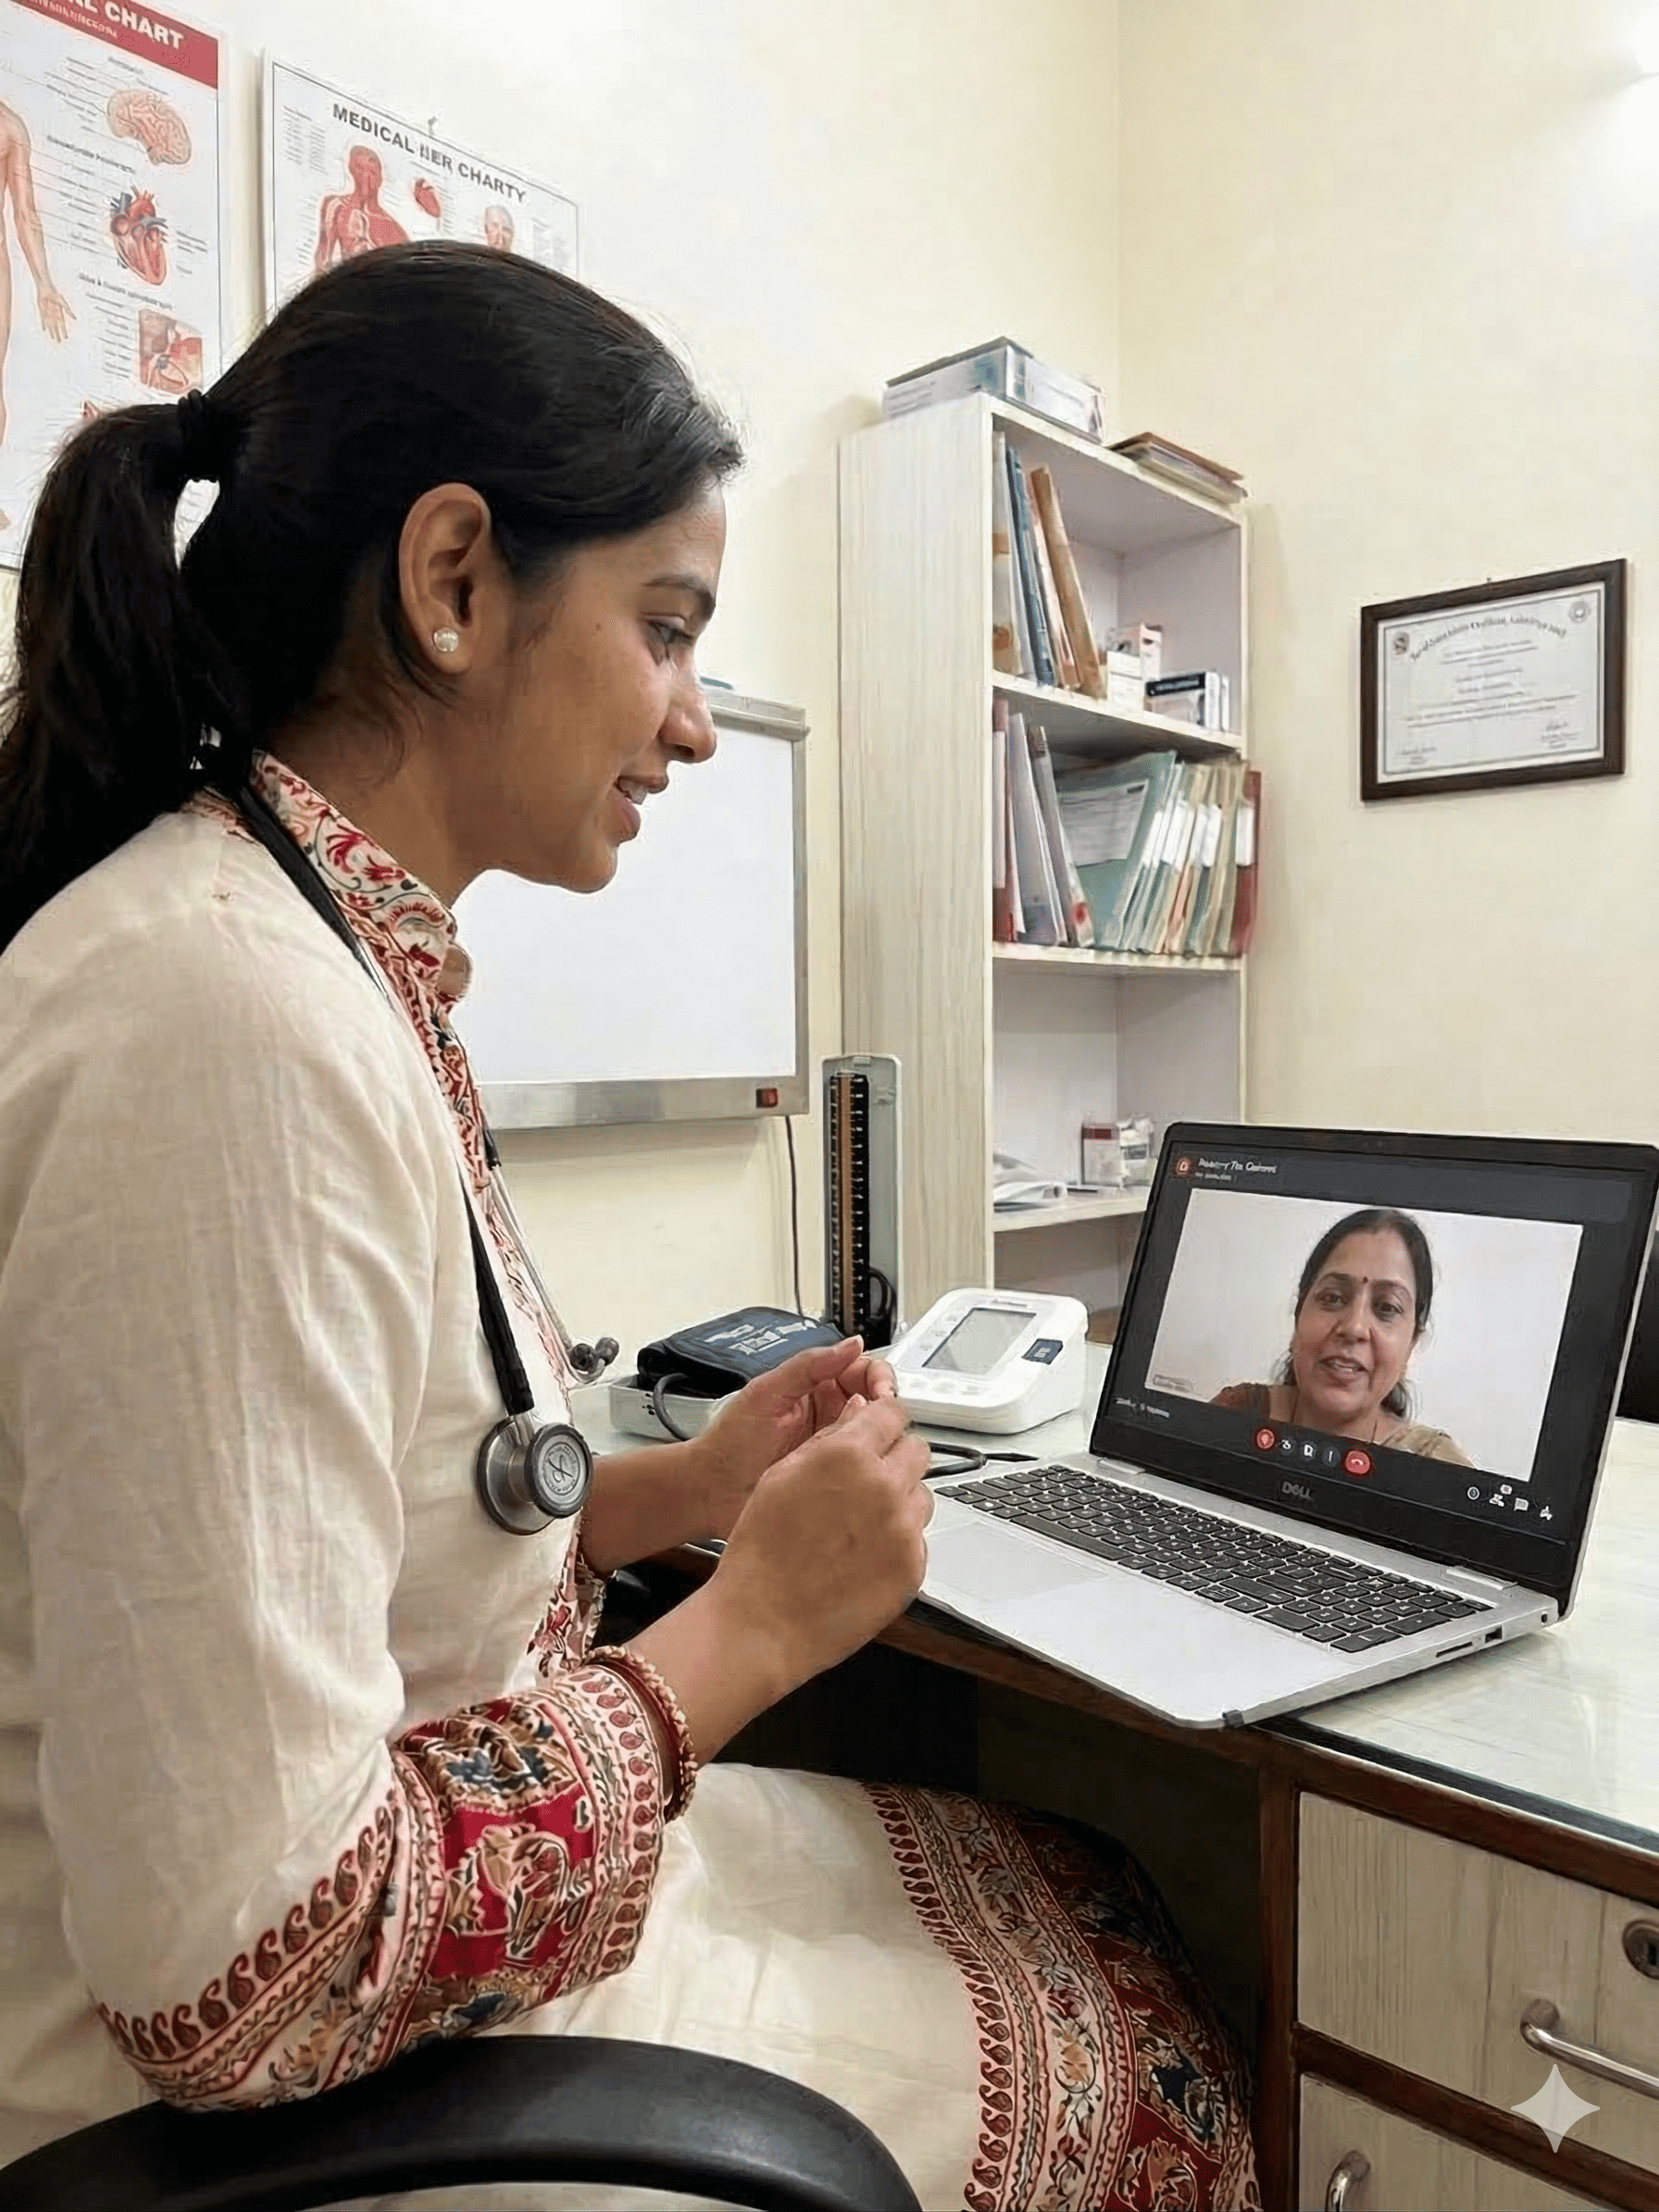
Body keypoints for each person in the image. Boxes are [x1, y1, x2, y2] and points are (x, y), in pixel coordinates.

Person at [0, 242, 1258, 2211]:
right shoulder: (223, 1019)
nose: (690, 724)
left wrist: (682, 1490)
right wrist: (749, 1631)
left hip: (415, 1928)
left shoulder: (306, 955)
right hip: (238, 2101)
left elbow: (380, 1520)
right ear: (448, 583)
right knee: (1155, 2053)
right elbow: (242, 1971)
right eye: (665, 628)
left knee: (1092, 1878)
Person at [1212, 1207, 1473, 1463]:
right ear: (1298, 1316)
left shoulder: (1436, 1467)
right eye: (1333, 1297)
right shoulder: (1238, 1413)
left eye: (1386, 1307)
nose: (1354, 1328)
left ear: (1411, 1345)